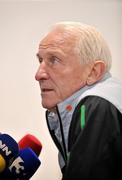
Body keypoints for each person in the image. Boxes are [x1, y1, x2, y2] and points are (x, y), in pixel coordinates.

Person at [35, 21, 122, 180]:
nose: (38, 74)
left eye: (54, 60)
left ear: (94, 72)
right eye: (40, 60)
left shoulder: (97, 104)